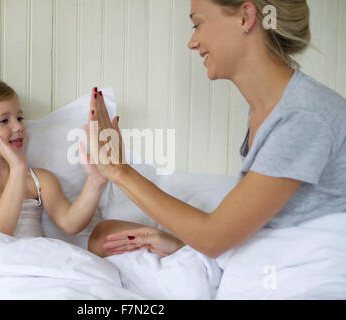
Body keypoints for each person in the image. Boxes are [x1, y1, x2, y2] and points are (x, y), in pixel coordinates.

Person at [87, 0, 346, 259]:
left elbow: (214, 239)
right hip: (253, 259)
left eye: (198, 24)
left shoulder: (303, 115)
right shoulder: (269, 109)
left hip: (290, 273)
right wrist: (179, 244)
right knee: (103, 235)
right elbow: (250, 225)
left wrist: (118, 170)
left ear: (246, 17)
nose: (192, 42)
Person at [0, 76, 110, 238]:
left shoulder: (39, 179)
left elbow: (70, 223)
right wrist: (17, 169)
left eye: (19, 118)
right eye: (4, 121)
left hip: (33, 261)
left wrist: (94, 182)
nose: (18, 127)